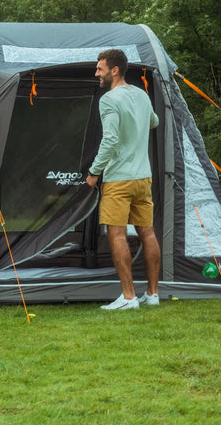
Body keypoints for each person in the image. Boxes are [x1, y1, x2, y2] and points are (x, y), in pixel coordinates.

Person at [85, 49, 161, 311]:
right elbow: (154, 121)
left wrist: (94, 172)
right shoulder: (141, 94)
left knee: (116, 234)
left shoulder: (108, 100)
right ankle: (152, 295)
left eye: (100, 69)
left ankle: (128, 298)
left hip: (119, 179)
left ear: (114, 70)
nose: (97, 73)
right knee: (147, 232)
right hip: (143, 177)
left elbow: (110, 140)